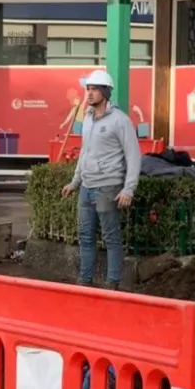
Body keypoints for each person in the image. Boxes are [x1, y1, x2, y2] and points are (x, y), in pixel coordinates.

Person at [61, 69, 141, 289]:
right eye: (88, 89)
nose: (89, 93)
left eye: (94, 89)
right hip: (86, 187)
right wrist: (75, 182)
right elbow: (85, 152)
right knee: (85, 236)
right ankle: (85, 281)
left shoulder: (120, 121)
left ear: (105, 92)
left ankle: (112, 284)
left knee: (111, 239)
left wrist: (128, 189)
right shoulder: (87, 118)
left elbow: (133, 156)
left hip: (108, 187)